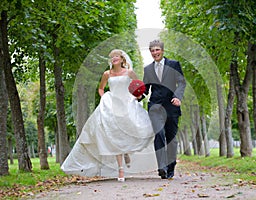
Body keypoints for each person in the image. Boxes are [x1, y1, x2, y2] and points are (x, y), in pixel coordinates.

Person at [61, 49, 157, 182]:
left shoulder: (129, 72)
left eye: (116, 56)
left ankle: (126, 152)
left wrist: (138, 95)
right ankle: (121, 170)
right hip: (112, 105)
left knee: (130, 130)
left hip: (126, 104)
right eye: (112, 57)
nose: (114, 58)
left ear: (122, 59)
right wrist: (105, 98)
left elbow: (138, 86)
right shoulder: (107, 74)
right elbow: (101, 88)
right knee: (115, 133)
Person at [142, 40, 186, 179]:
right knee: (159, 133)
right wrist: (136, 96)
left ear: (162, 50)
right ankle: (161, 166)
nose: (155, 53)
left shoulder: (174, 64)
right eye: (152, 50)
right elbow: (145, 89)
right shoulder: (148, 69)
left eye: (157, 50)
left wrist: (178, 97)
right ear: (150, 52)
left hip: (172, 105)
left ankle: (170, 166)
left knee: (171, 138)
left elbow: (181, 82)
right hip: (155, 106)